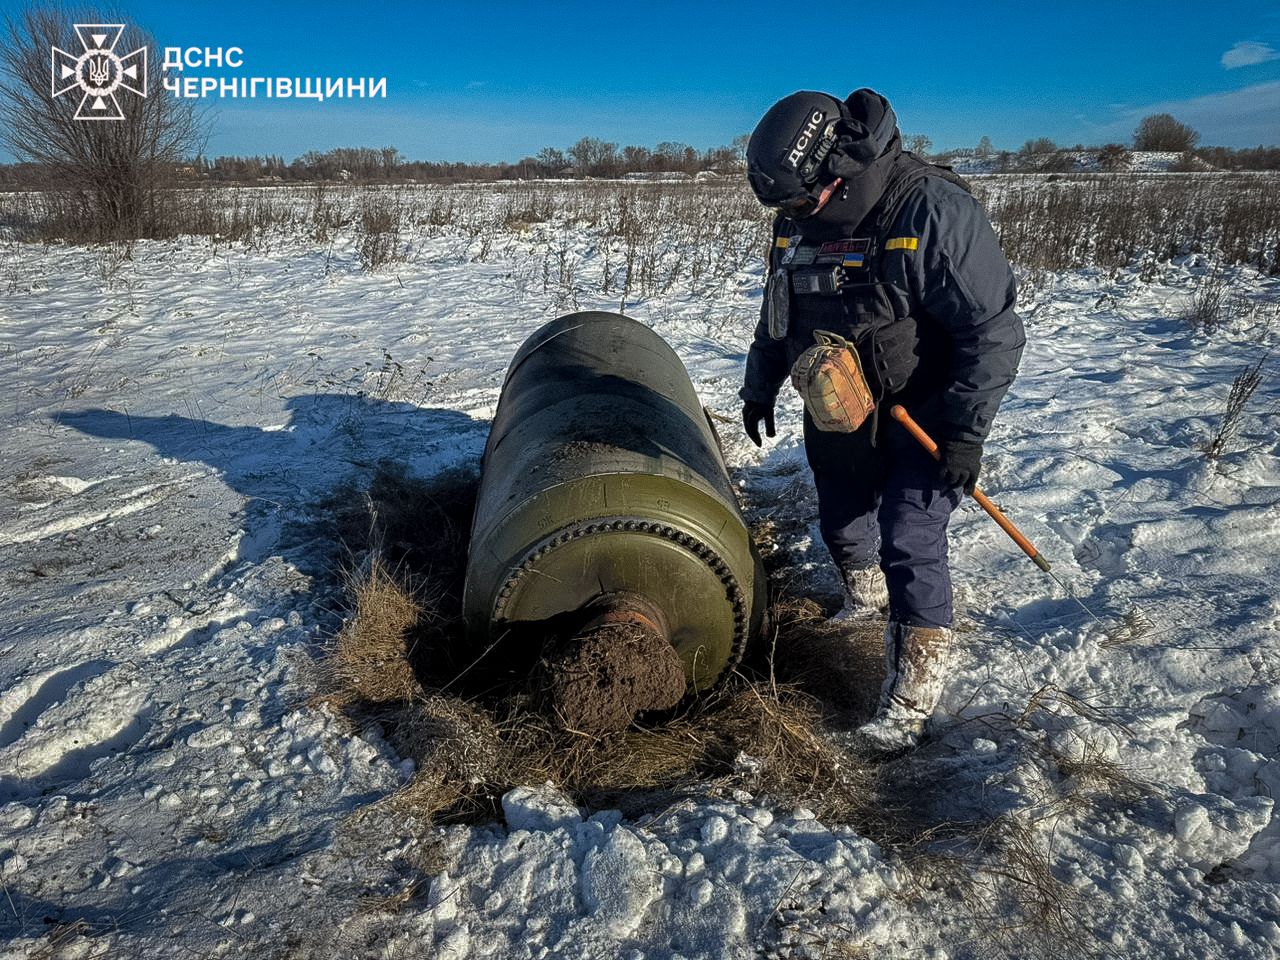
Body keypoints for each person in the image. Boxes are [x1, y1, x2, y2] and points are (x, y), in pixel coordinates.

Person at [739, 88, 1025, 754]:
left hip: (927, 410)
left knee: (909, 534)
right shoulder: (794, 220)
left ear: (837, 170)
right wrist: (760, 386)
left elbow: (993, 333)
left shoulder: (931, 209)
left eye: (799, 204)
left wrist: (964, 433)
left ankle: (910, 702)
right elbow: (778, 312)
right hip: (838, 403)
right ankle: (865, 599)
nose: (791, 218)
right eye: (783, 208)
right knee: (842, 519)